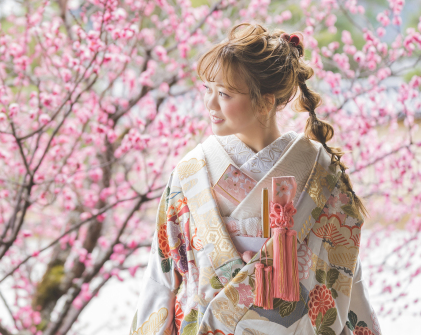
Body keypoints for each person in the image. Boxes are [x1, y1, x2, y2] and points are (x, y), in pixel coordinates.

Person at [129, 23, 380, 335]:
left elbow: (345, 276)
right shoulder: (190, 172)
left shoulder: (322, 174)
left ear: (266, 101)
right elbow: (162, 278)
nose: (210, 104)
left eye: (224, 94)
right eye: (208, 90)